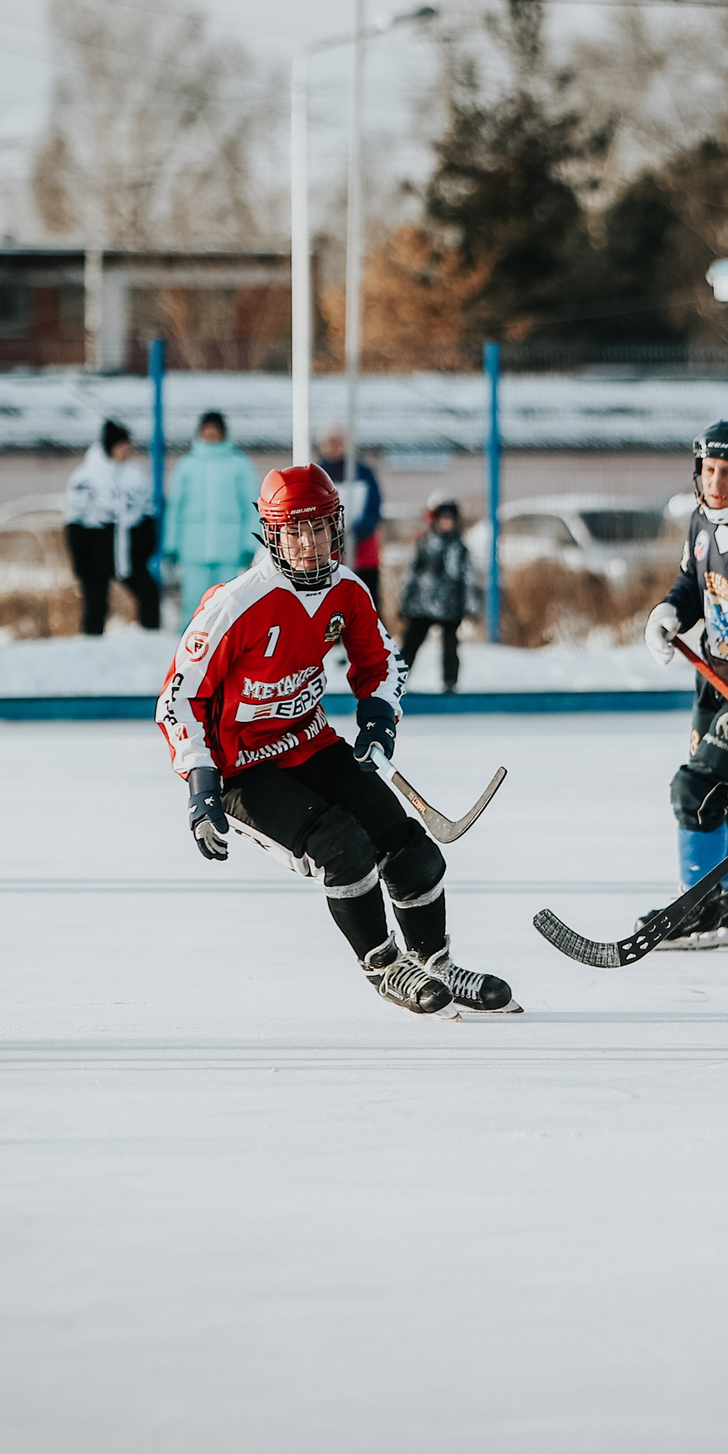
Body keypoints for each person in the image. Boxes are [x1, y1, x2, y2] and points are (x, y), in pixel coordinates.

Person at [158, 464, 517, 1017]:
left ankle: (437, 963)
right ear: (271, 534)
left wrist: (378, 719)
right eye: (295, 530)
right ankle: (382, 963)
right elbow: (179, 699)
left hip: (312, 745)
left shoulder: (346, 589)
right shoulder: (236, 603)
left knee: (413, 851)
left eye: (320, 527)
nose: (309, 543)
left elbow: (381, 662)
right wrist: (201, 783)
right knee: (342, 847)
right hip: (245, 769)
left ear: (337, 526)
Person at [640, 419, 728, 950]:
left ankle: (692, 908)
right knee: (720, 797)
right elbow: (693, 583)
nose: (716, 483)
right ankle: (726, 907)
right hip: (712, 676)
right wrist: (671, 608)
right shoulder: (700, 520)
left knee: (694, 788)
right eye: (709, 470)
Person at [63, 419, 160, 633]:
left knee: (148, 592)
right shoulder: (85, 477)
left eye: (128, 447)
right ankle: (91, 647)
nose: (125, 452)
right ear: (109, 447)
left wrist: (144, 549)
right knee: (95, 602)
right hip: (96, 548)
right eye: (120, 447)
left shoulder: (135, 477)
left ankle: (150, 642)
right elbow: (74, 520)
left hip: (127, 551)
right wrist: (80, 558)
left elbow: (148, 514)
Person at [167, 411, 260, 616]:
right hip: (193, 547)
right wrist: (171, 543)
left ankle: (226, 643)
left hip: (230, 546)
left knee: (228, 600)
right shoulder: (187, 465)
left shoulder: (239, 465)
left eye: (215, 431)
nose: (211, 435)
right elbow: (175, 506)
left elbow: (251, 506)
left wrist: (249, 544)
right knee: (192, 600)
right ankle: (189, 642)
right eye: (207, 431)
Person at [396, 498, 475, 693]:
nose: (446, 523)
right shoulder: (426, 545)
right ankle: (397, 681)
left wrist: (470, 606)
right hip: (423, 604)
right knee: (411, 643)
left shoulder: (460, 549)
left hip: (451, 605)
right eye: (442, 519)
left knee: (450, 645)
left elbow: (468, 579)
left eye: (449, 519)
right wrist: (405, 601)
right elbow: (411, 574)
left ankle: (450, 682)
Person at [316, 424, 386, 607]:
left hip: (363, 549)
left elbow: (374, 507)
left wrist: (360, 532)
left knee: (366, 597)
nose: (333, 447)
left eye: (337, 442)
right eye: (329, 442)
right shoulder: (317, 474)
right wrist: (331, 536)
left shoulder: (363, 473)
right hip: (329, 548)